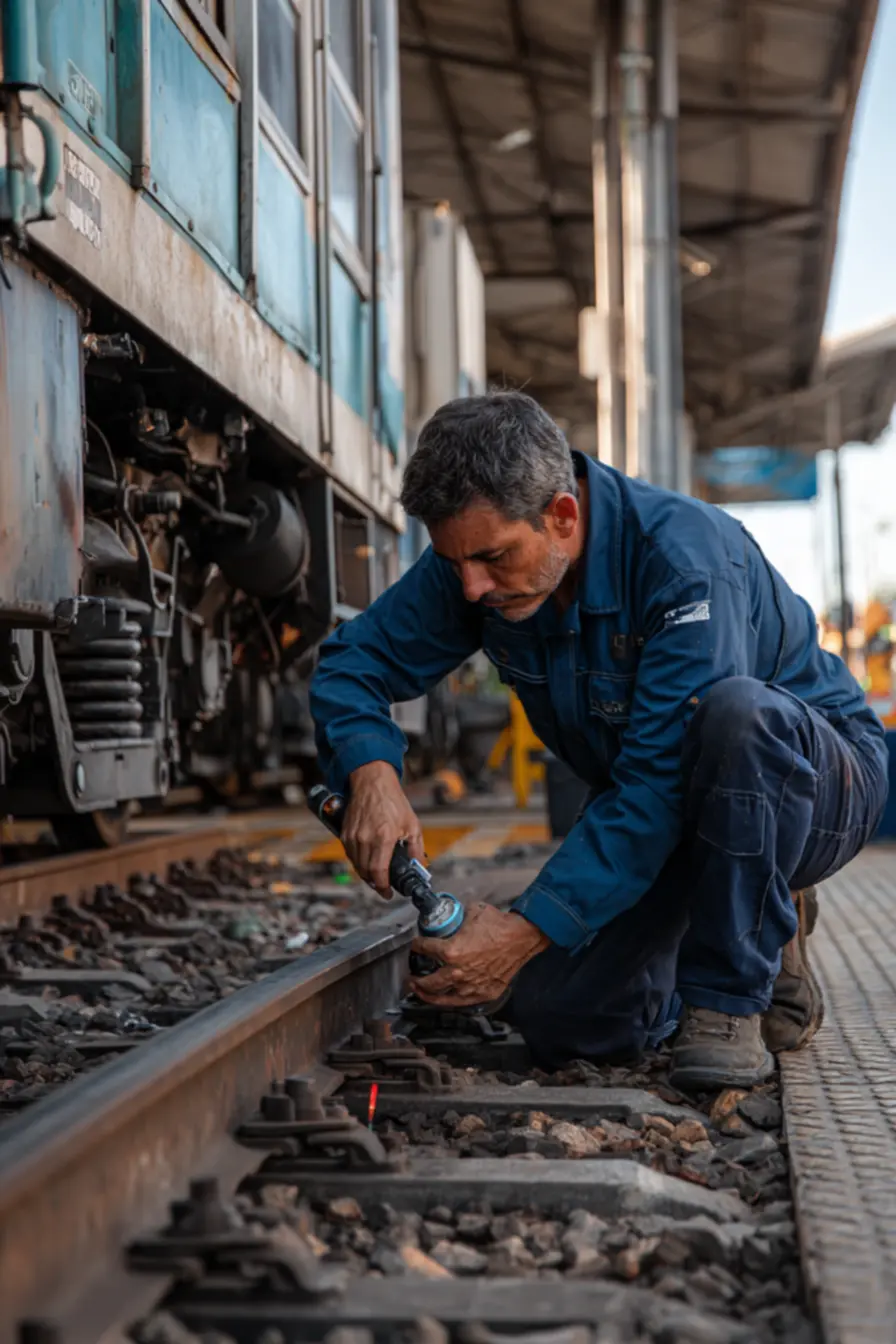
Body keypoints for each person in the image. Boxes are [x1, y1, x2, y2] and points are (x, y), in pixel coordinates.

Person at [309, 392, 888, 1091]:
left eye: (491, 559)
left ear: (562, 516)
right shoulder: (479, 560)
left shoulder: (684, 563)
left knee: (736, 718)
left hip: (813, 786)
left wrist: (522, 931)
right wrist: (372, 773)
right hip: (672, 804)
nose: (470, 588)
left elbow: (656, 786)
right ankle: (756, 914)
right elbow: (351, 663)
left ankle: (731, 995)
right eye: (456, 562)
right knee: (565, 1020)